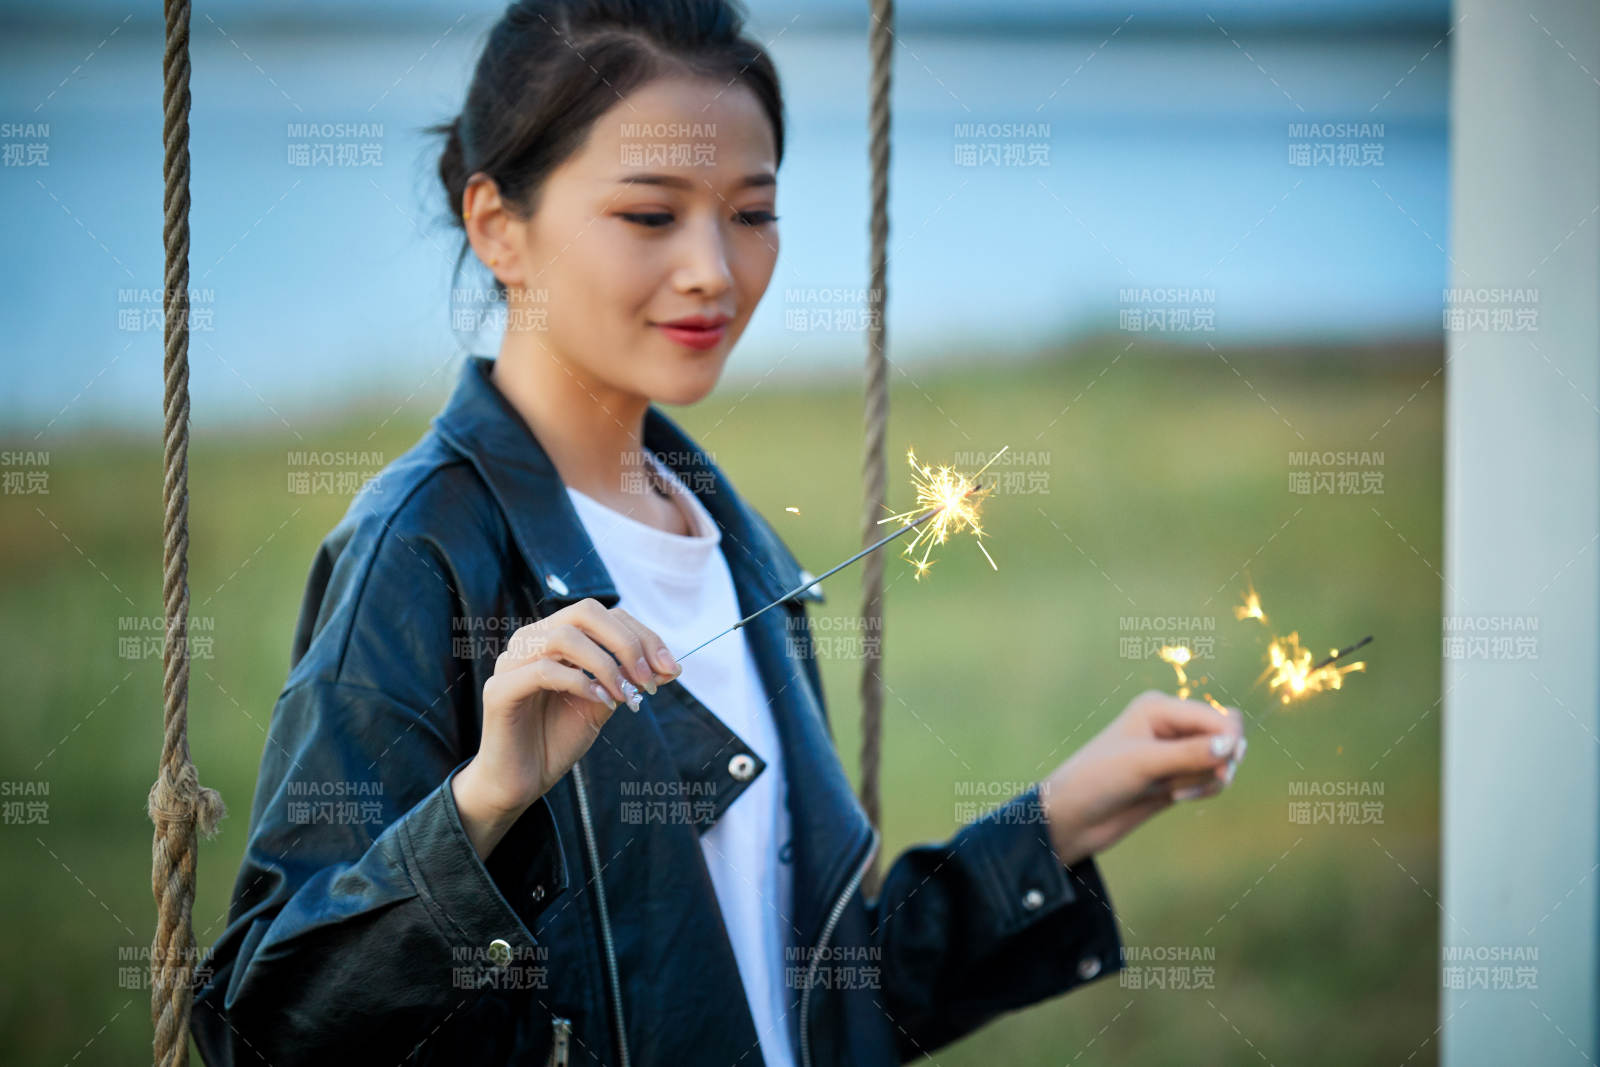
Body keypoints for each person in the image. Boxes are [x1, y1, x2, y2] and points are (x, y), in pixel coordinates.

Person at [191, 1, 1246, 1063]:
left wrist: (1062, 816)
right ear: (497, 225)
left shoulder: (735, 548)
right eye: (651, 216)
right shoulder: (421, 549)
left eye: (751, 212)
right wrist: (487, 796)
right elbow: (268, 1028)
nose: (714, 268)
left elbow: (805, 1000)